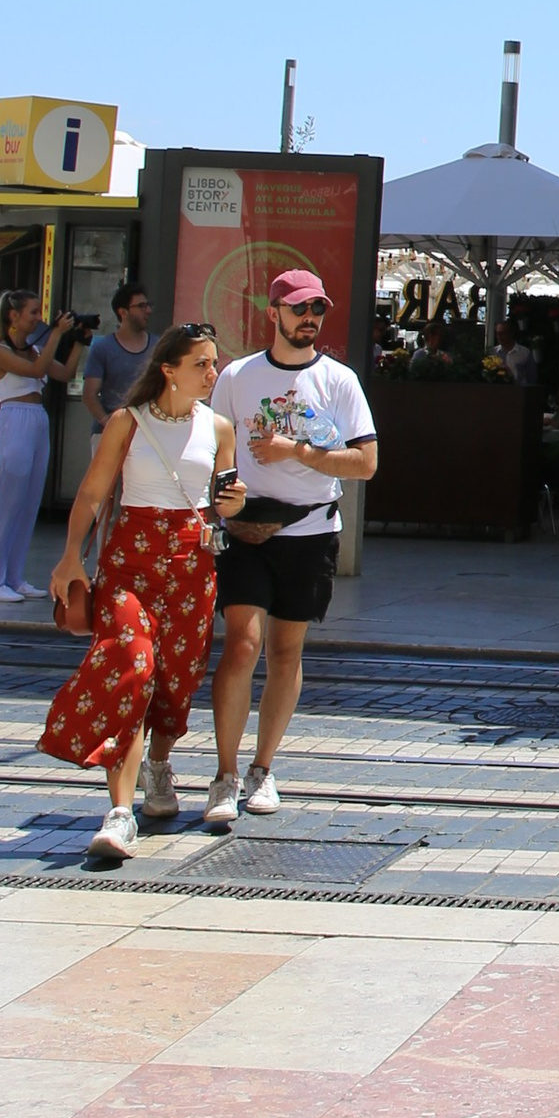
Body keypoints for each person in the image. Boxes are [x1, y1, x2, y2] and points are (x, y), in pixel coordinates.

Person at [42, 320, 241, 865]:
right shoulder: (127, 423)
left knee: (176, 679)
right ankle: (120, 811)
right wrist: (70, 557)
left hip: (191, 563)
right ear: (168, 370)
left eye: (214, 362)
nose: (211, 372)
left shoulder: (219, 428)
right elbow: (91, 493)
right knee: (130, 666)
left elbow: (223, 506)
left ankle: (158, 764)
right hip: (130, 560)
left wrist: (233, 506)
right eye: (200, 363)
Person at [207, 270, 378, 831]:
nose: (310, 319)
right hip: (247, 530)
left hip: (310, 531)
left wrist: (297, 452)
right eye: (300, 308)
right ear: (274, 311)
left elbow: (365, 463)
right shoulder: (236, 375)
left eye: (318, 310)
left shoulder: (339, 380)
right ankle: (224, 774)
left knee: (286, 652)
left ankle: (263, 767)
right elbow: (213, 446)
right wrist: (221, 501)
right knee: (242, 644)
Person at [0, 288, 88, 601]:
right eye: (33, 312)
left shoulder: (35, 350)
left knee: (28, 503)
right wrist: (57, 334)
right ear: (14, 316)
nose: (39, 318)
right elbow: (37, 371)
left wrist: (78, 341)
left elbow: (63, 373)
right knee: (6, 502)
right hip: (13, 418)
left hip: (37, 419)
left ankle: (13, 576)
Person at [79, 282, 155, 433]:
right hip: (108, 432)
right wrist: (107, 422)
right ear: (123, 312)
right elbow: (89, 394)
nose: (148, 310)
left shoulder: (158, 346)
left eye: (148, 305)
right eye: (141, 306)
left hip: (148, 432)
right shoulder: (103, 348)